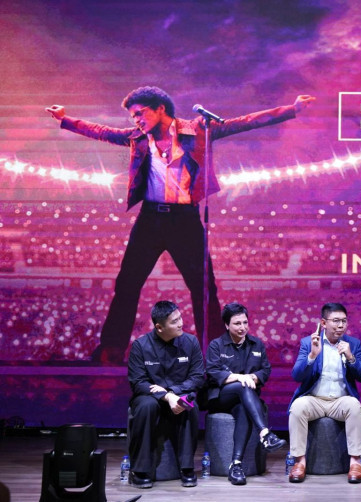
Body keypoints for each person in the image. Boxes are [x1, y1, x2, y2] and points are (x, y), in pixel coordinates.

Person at [45, 87, 315, 364]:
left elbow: (245, 122)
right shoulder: (137, 137)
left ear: (160, 108)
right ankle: (111, 349)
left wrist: (291, 109)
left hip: (185, 220)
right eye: (133, 116)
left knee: (204, 288)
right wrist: (66, 119)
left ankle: (214, 352)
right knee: (127, 284)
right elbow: (101, 131)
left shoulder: (199, 130)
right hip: (150, 219)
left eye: (140, 113)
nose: (136, 120)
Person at [205, 302, 287, 485]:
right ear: (227, 325)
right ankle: (265, 433)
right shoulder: (216, 345)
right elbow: (213, 372)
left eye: (245, 322)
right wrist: (239, 378)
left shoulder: (256, 344)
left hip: (245, 399)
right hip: (220, 397)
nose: (242, 327)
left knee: (243, 408)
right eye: (237, 323)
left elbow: (265, 370)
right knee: (243, 386)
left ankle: (236, 465)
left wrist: (252, 377)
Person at [287, 303, 361, 484]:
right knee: (298, 407)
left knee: (354, 406)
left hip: (340, 401)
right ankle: (299, 461)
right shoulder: (309, 343)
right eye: (336, 321)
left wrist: (350, 357)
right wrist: (312, 355)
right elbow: (296, 375)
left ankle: (355, 462)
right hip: (314, 399)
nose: (341, 326)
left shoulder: (353, 344)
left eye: (344, 321)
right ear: (323, 323)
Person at [127, 300, 204, 489]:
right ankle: (140, 470)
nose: (180, 324)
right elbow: (138, 382)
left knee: (189, 406)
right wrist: (165, 396)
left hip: (179, 393)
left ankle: (186, 468)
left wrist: (173, 393)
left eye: (180, 318)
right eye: (174, 321)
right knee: (146, 406)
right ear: (159, 327)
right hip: (150, 397)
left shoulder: (191, 342)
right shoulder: (140, 346)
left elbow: (198, 377)